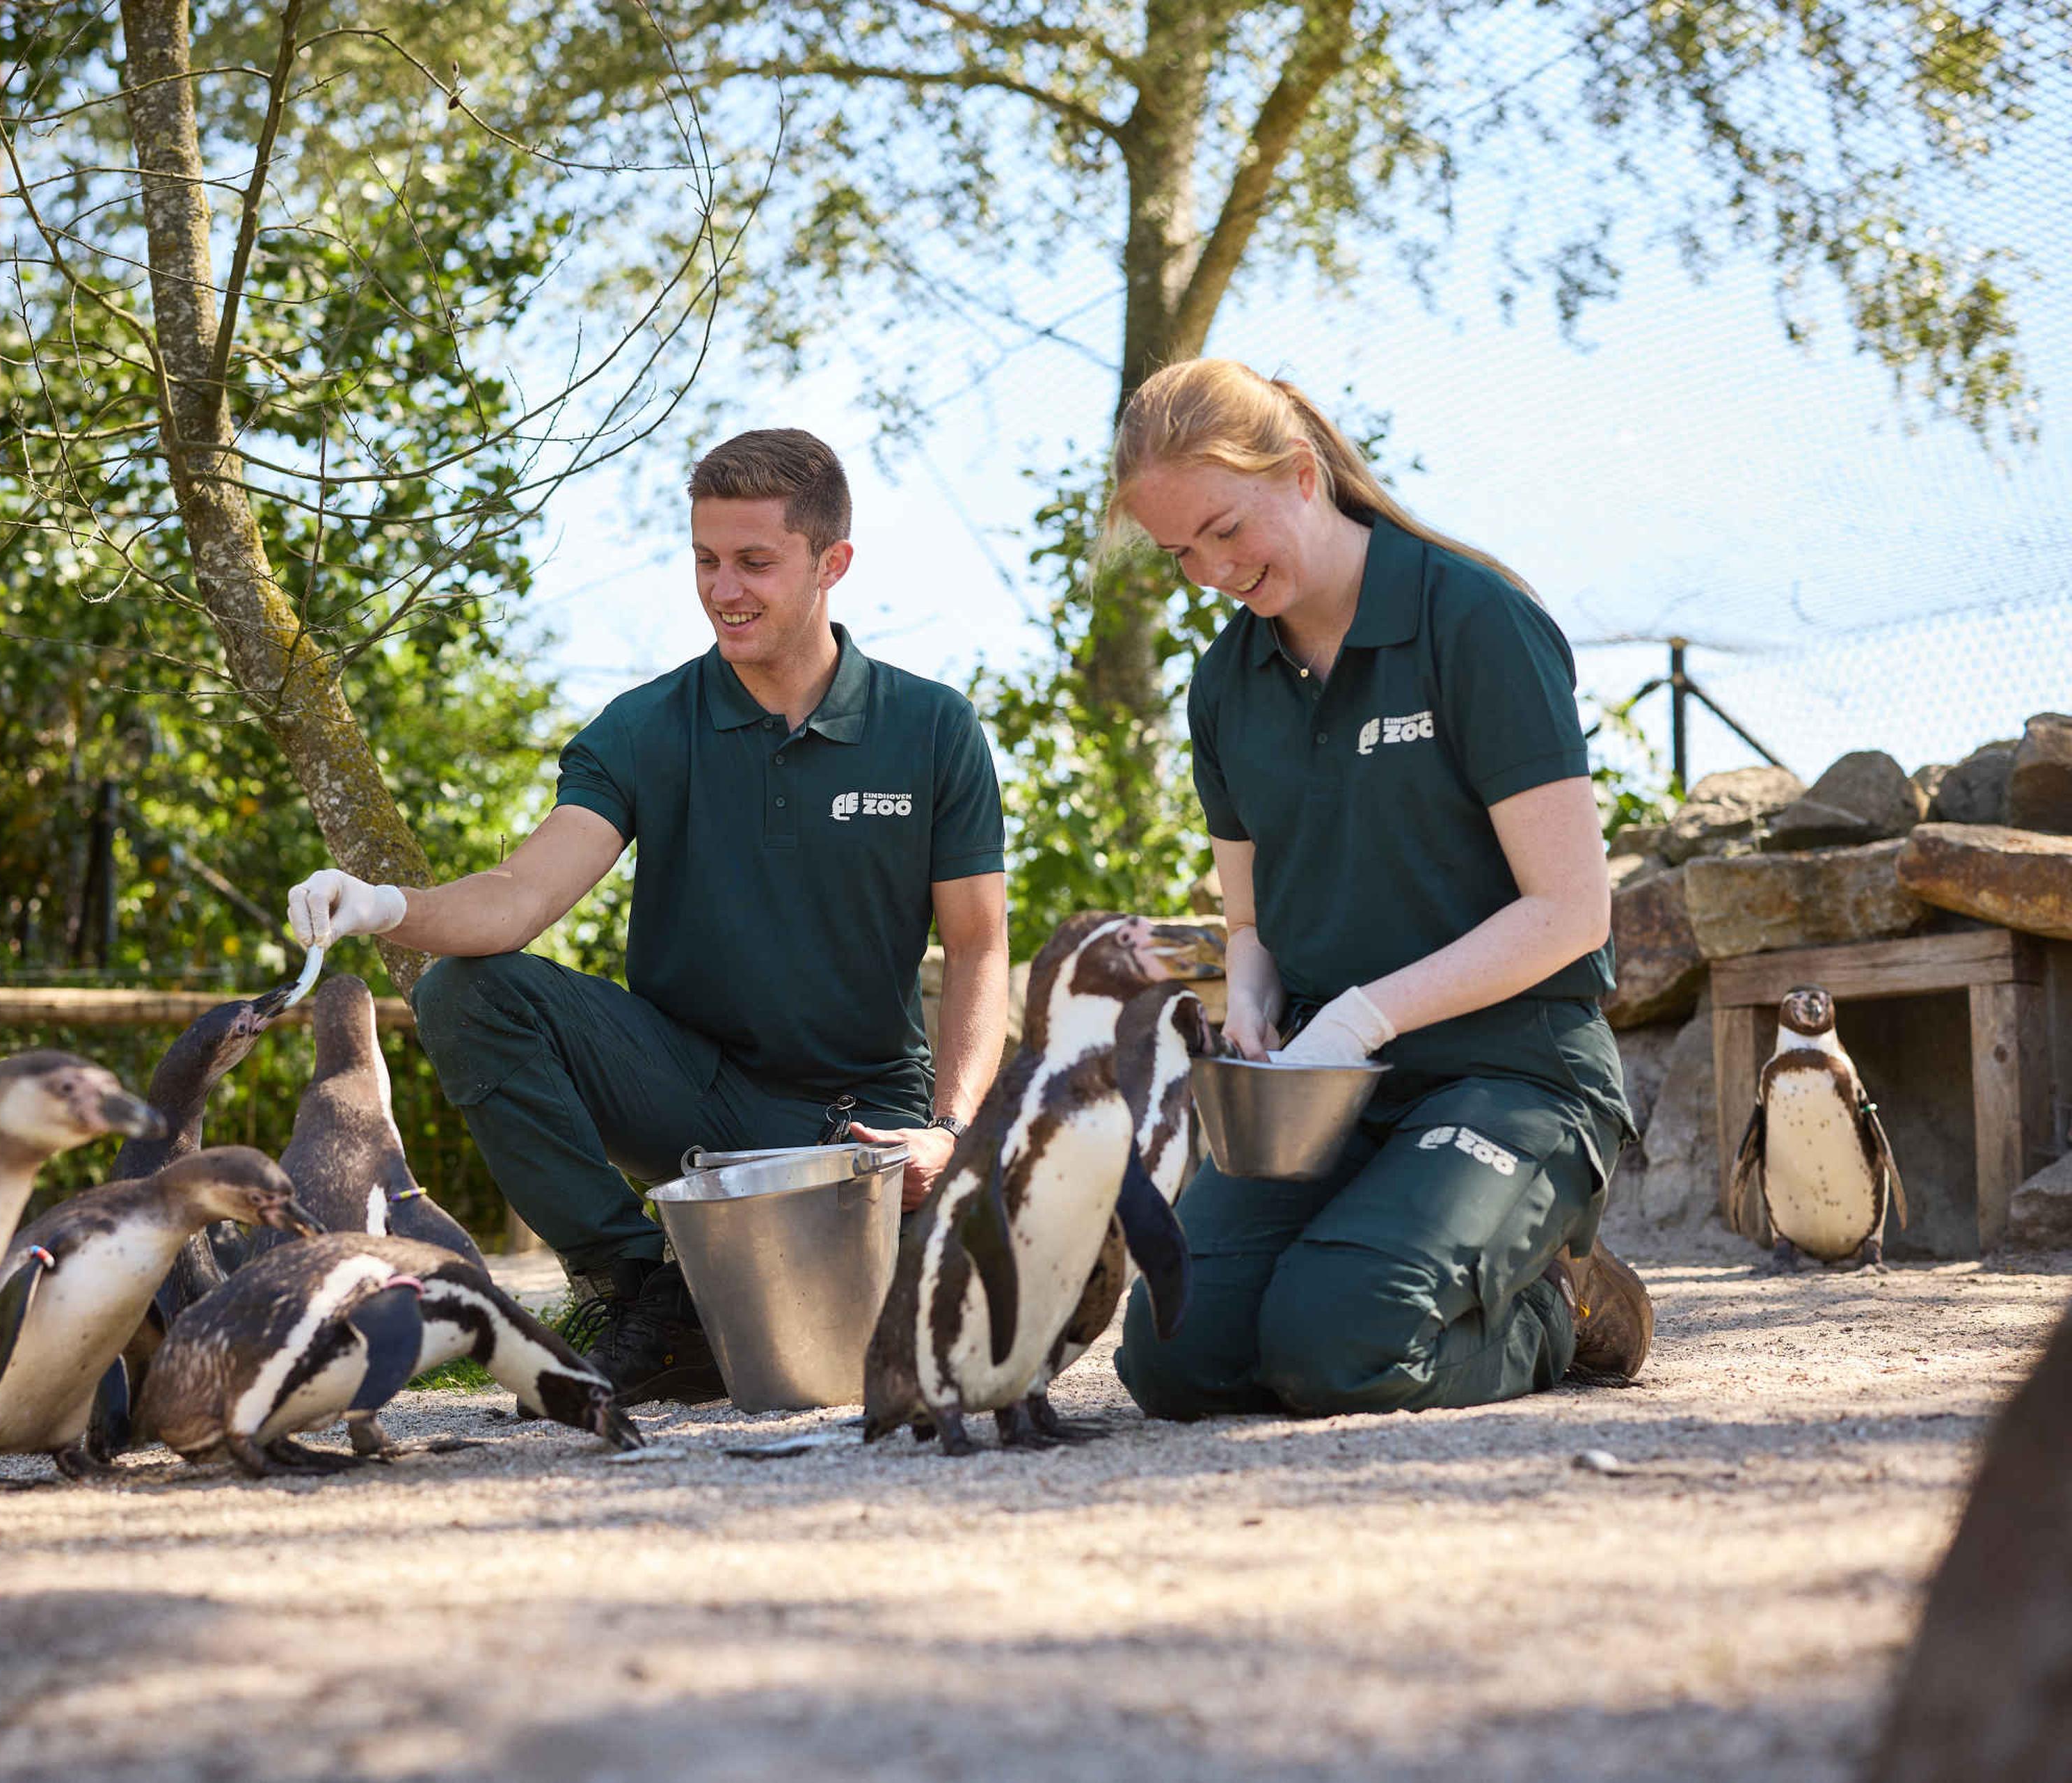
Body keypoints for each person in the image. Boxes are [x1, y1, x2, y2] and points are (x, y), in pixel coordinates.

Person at [285, 429, 1010, 1406]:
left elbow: (977, 944)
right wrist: (384, 906)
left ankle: (736, 1299)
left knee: (939, 1343)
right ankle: (647, 1294)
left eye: (754, 562)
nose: (723, 589)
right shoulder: (643, 727)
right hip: (691, 1096)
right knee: (471, 991)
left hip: (869, 1131)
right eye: (706, 560)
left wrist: (952, 1132)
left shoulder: (931, 727)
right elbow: (518, 897)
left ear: (832, 563)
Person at [1105, 358, 1648, 1418]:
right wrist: (1253, 993)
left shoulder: (1475, 618)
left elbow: (1571, 912)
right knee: (1174, 1360)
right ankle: (1372, 1265)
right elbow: (1250, 916)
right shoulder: (1223, 686)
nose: (1210, 571)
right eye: (1181, 553)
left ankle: (1561, 1301)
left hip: (1512, 1073)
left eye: (1225, 529)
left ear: (1302, 475)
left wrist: (1360, 1014)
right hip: (1323, 1092)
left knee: (1343, 1344)